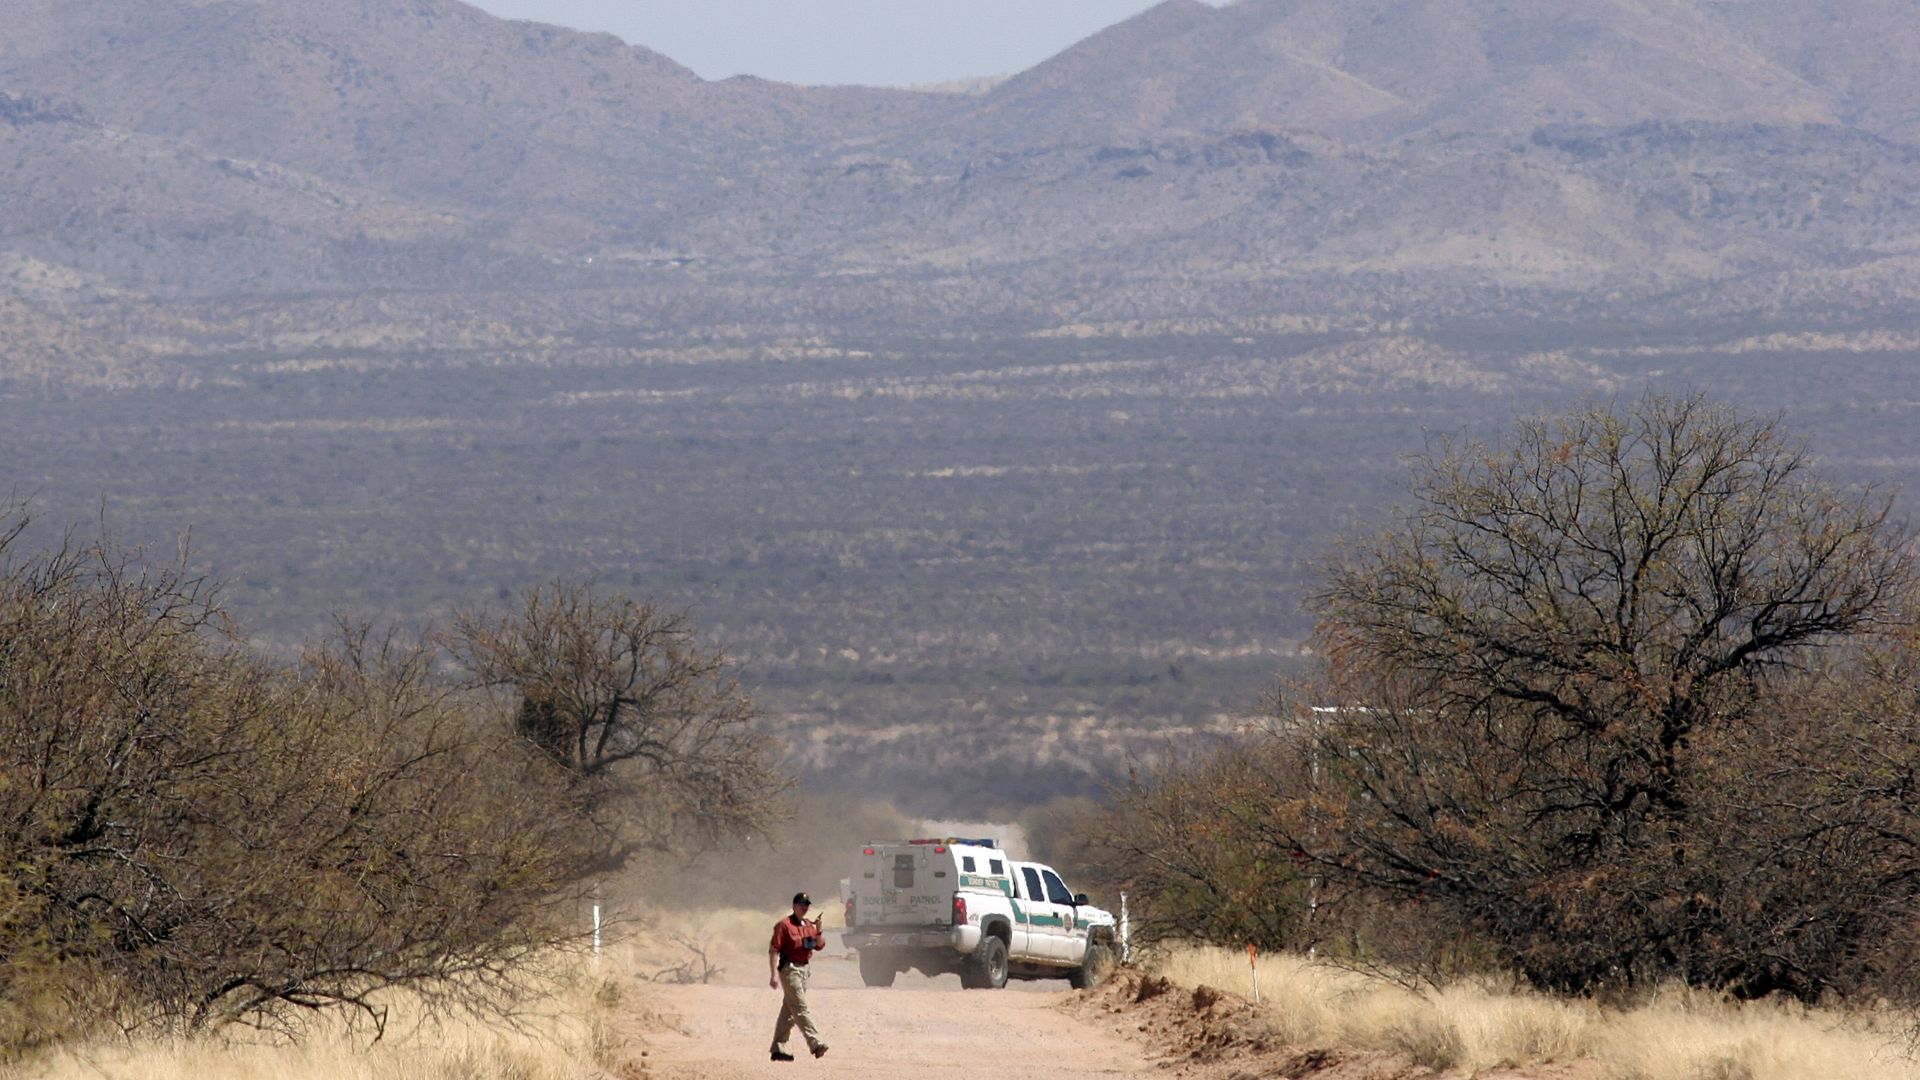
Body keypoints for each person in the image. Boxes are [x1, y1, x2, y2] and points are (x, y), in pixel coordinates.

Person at [768, 891, 829, 1062]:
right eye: (801, 905)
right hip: (790, 970)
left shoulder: (808, 925)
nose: (804, 908)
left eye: (806, 905)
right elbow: (774, 950)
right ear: (793, 906)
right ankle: (815, 1043)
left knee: (789, 1010)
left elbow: (819, 946)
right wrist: (773, 975)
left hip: (804, 971)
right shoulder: (784, 925)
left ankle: (778, 1048)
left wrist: (818, 930)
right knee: (800, 1008)